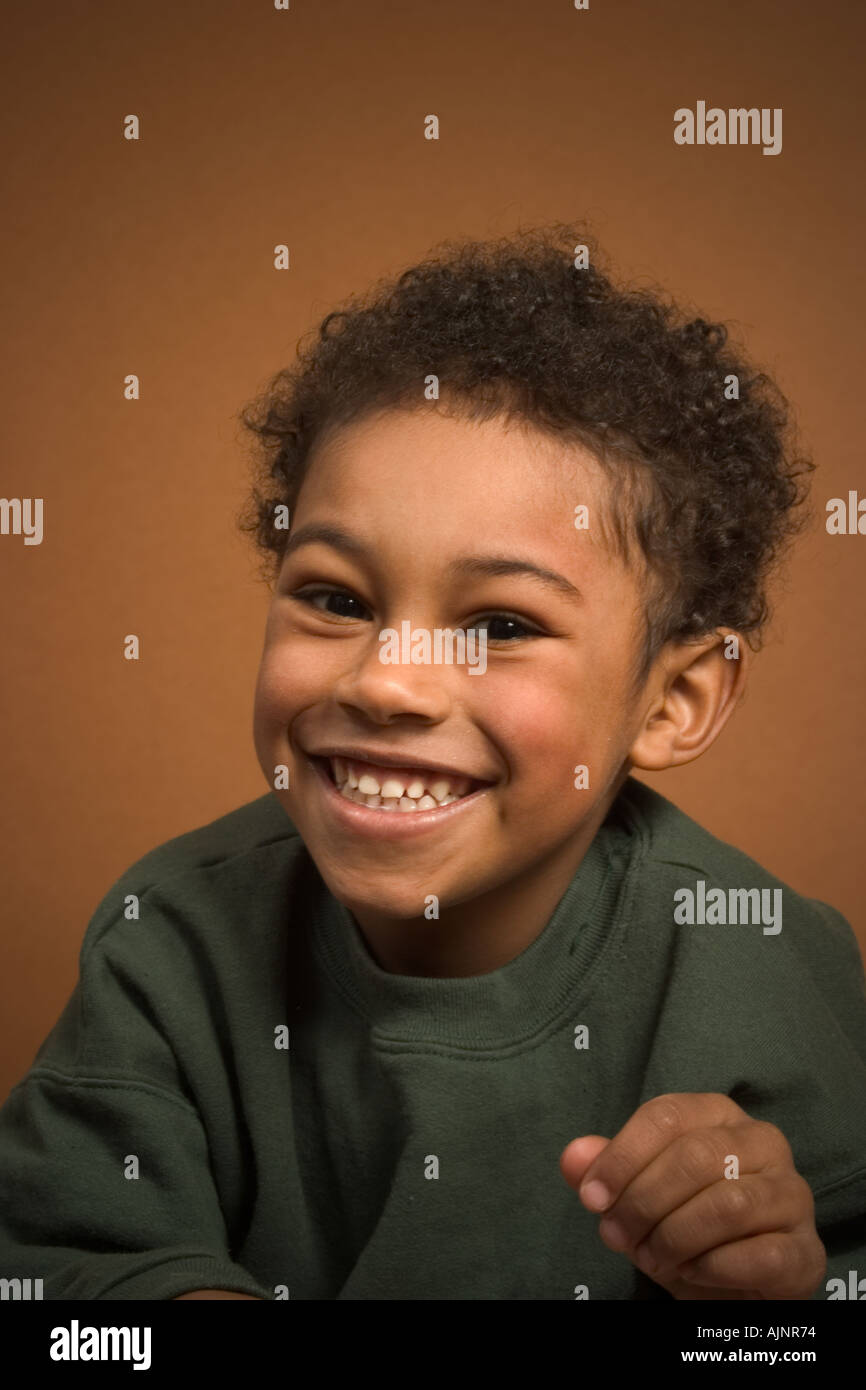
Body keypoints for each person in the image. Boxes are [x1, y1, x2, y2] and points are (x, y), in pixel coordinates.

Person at [1, 224, 864, 1301]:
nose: (384, 682)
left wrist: (765, 1293)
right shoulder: (171, 937)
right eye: (334, 599)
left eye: (498, 624)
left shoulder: (762, 964)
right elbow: (67, 1273)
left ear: (672, 699)